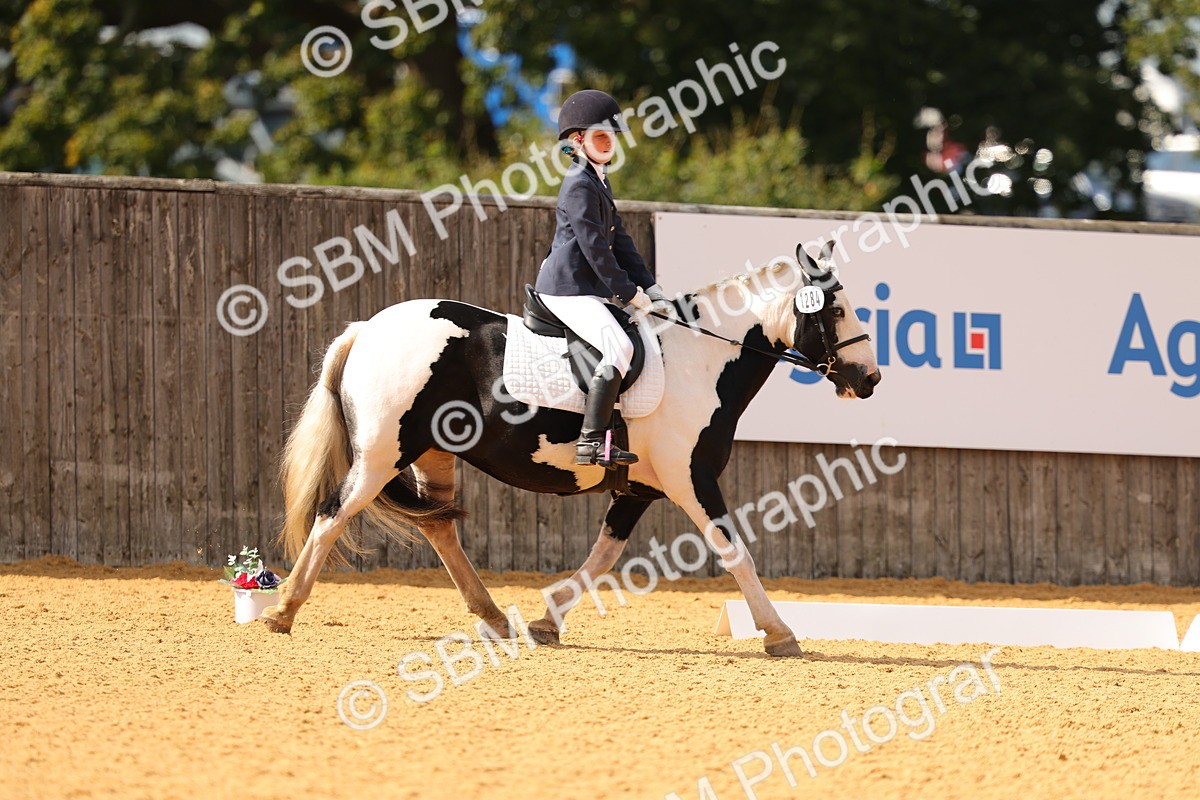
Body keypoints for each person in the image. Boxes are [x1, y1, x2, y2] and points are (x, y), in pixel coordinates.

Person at [535, 89, 670, 467]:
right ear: (578, 141)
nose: (608, 143)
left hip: (585, 290)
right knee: (620, 348)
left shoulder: (598, 181)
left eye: (611, 136)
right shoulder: (579, 183)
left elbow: (620, 240)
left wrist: (651, 284)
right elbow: (595, 248)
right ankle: (591, 441)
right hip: (567, 289)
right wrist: (629, 293)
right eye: (600, 136)